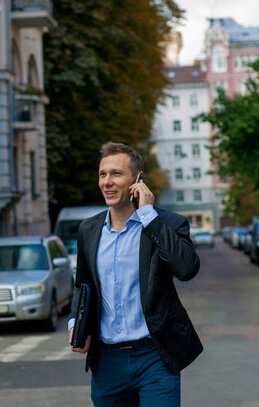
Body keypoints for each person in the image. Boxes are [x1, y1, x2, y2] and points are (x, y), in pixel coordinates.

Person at [68, 142, 202, 407]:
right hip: (107, 361)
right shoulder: (89, 230)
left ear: (137, 180)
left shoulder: (168, 224)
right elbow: (83, 285)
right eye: (102, 174)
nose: (107, 182)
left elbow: (187, 269)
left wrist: (149, 216)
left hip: (155, 356)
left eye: (116, 174)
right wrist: (75, 323)